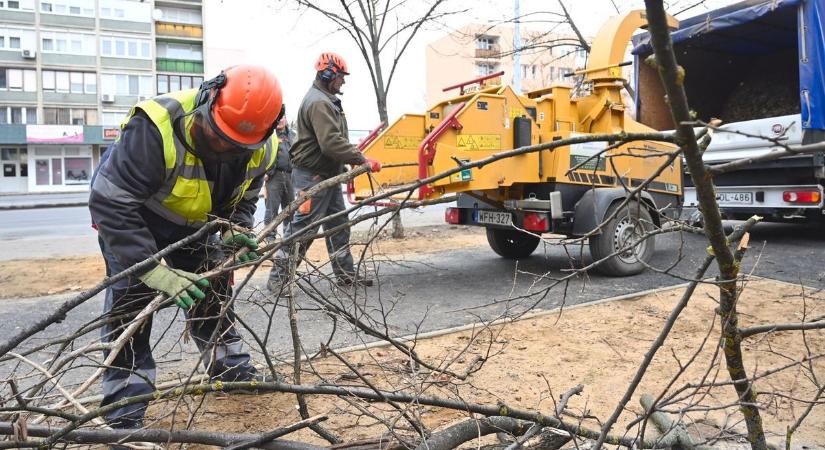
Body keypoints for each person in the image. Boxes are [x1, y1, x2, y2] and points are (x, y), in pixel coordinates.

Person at [89, 64, 283, 430]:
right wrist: (152, 269)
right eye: (218, 135)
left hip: (196, 227)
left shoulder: (263, 147)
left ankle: (230, 369)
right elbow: (112, 203)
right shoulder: (155, 126)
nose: (224, 147)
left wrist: (234, 228)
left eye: (236, 145)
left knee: (211, 290)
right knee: (131, 304)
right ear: (208, 98)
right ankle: (125, 403)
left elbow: (247, 194)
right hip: (136, 221)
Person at [268, 52, 381, 293]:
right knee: (303, 228)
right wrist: (361, 158)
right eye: (341, 76)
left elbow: (334, 140)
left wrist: (350, 161)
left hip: (327, 173)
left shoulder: (326, 99)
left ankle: (345, 274)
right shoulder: (319, 102)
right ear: (329, 74)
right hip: (313, 176)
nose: (343, 81)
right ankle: (278, 279)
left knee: (338, 224)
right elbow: (330, 142)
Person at [263, 112, 295, 233]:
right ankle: (269, 238)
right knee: (272, 209)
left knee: (290, 208)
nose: (280, 120)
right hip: (274, 176)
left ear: (286, 119)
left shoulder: (293, 134)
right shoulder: (269, 135)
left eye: (282, 117)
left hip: (290, 176)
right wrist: (266, 172)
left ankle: (289, 237)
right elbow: (263, 154)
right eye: (278, 118)